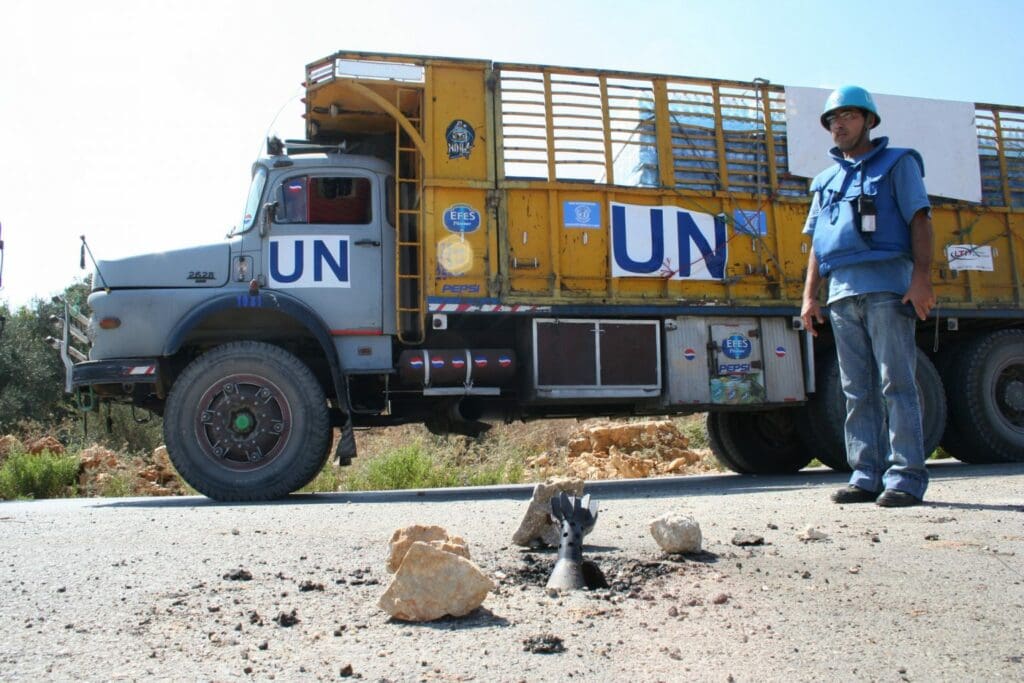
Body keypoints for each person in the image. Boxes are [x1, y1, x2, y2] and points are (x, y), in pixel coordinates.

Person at [800, 85, 936, 508]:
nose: (838, 124)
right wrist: (809, 297)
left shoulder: (899, 163)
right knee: (855, 390)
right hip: (842, 294)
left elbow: (920, 219)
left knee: (896, 383)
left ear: (869, 120)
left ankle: (907, 477)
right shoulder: (824, 181)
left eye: (848, 116)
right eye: (832, 119)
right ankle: (866, 474)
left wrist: (922, 279)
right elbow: (817, 246)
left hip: (888, 290)